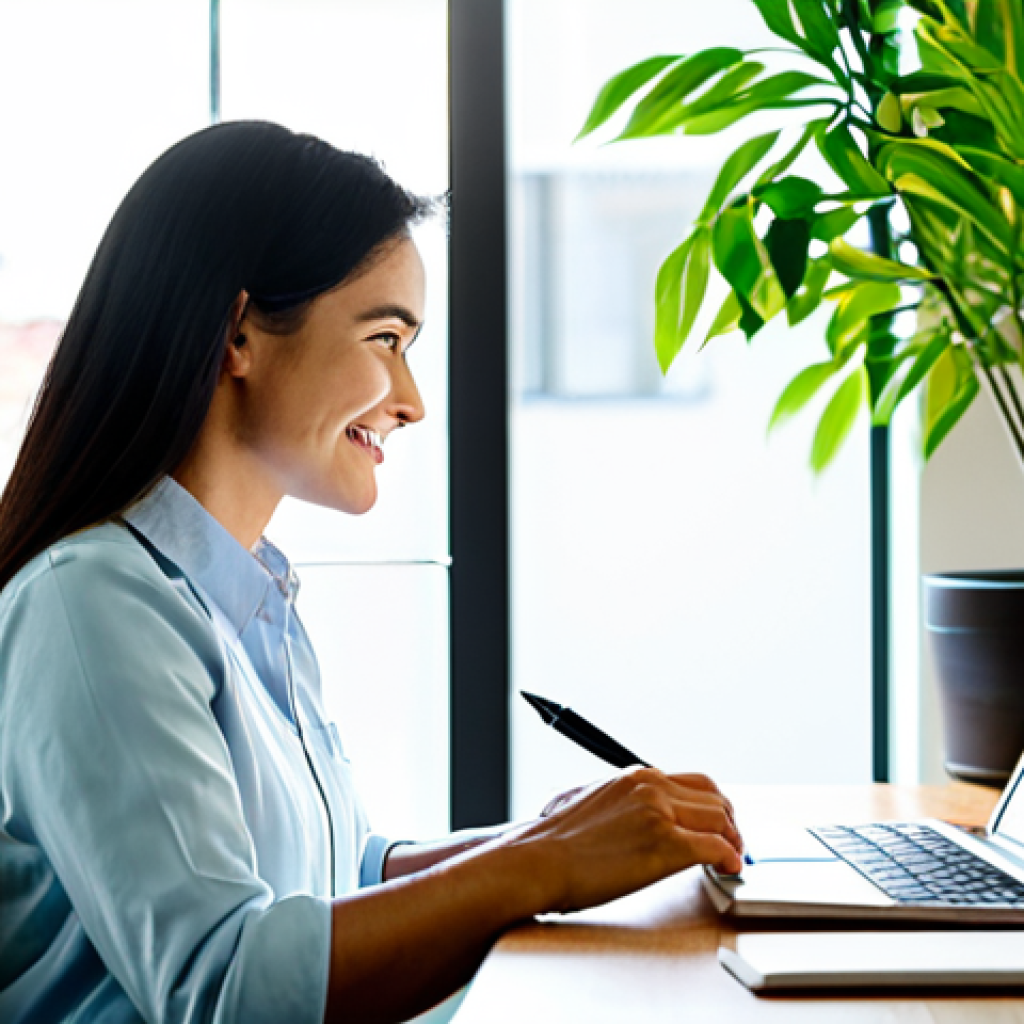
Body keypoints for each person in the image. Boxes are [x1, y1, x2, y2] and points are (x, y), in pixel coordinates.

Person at [0, 121, 744, 1024]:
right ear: (238, 334)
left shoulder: (245, 598)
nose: (412, 401)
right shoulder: (94, 604)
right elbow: (228, 990)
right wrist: (546, 864)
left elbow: (342, 874)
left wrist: (551, 836)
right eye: (386, 339)